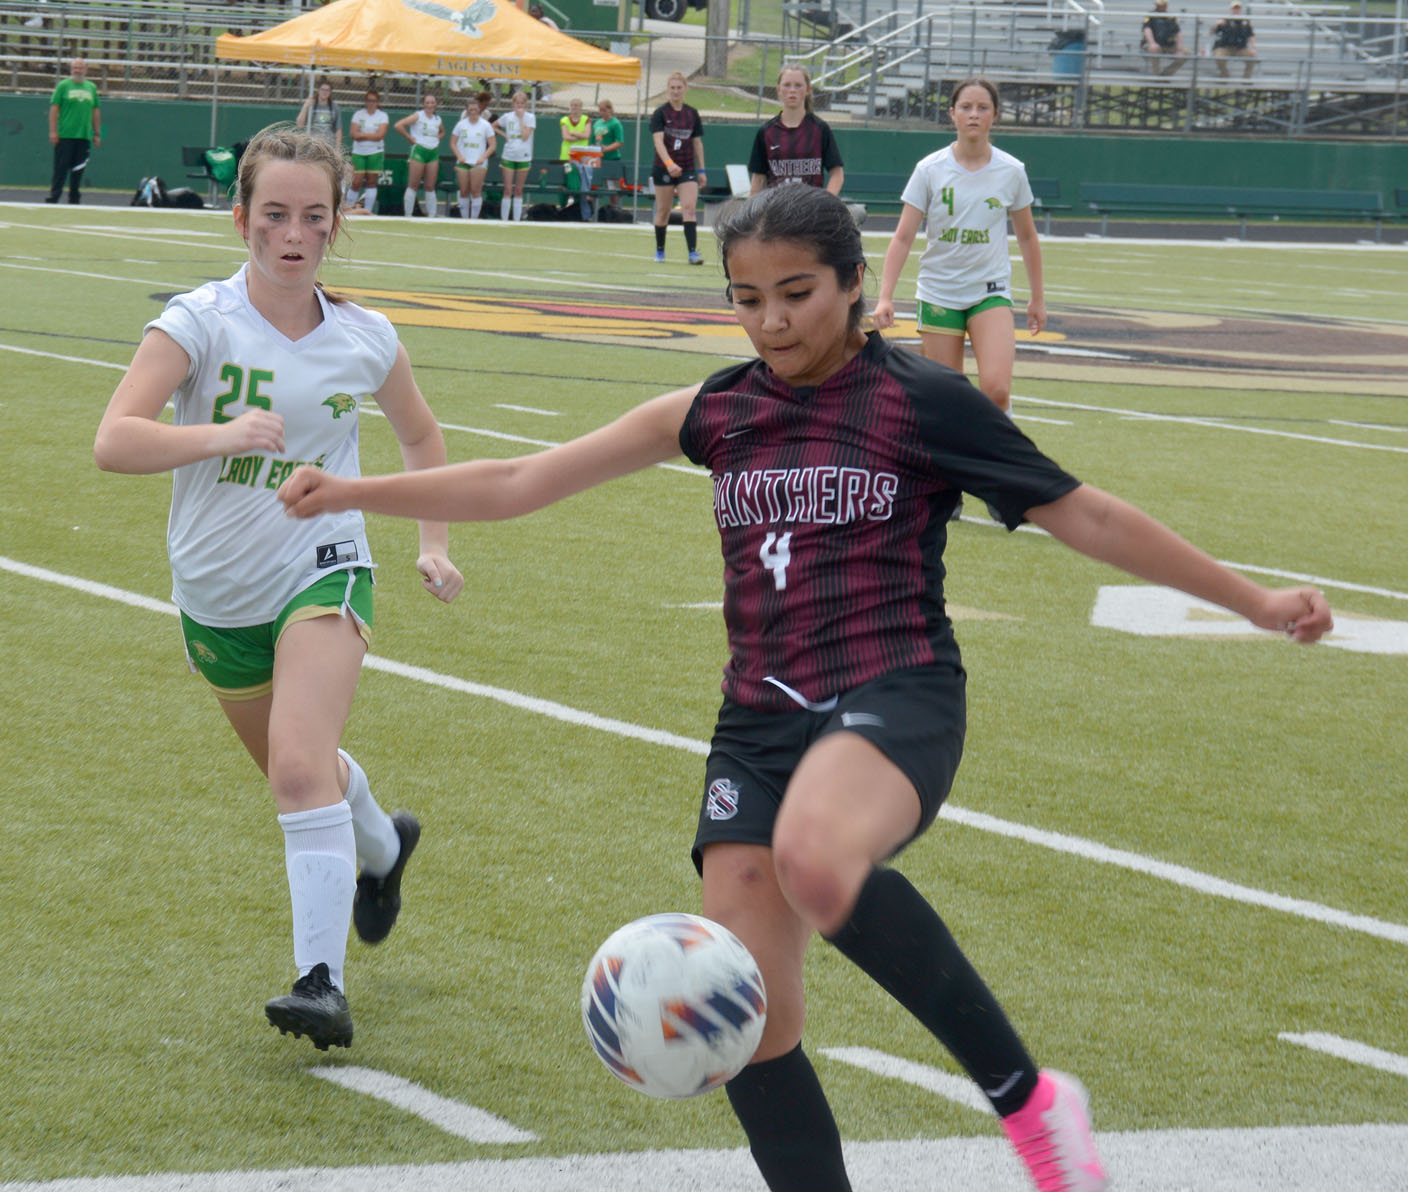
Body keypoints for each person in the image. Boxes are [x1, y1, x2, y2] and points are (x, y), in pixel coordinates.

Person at [277, 183, 1333, 1191]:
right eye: (747, 299)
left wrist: (1250, 599)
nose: (772, 322)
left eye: (796, 295)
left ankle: (1027, 1101)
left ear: (854, 284)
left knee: (818, 861)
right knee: (753, 1021)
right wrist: (351, 489)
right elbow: (519, 479)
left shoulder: (923, 400)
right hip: (757, 727)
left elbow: (1085, 513)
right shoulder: (717, 409)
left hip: (895, 692)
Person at [93, 124, 464, 1050]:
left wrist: (431, 541)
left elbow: (421, 438)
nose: (293, 235)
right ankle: (383, 846)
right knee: (303, 775)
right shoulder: (197, 322)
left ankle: (321, 981)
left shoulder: (368, 340)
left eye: (313, 216)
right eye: (274, 216)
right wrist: (218, 435)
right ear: (242, 220)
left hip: (324, 567)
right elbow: (116, 440)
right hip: (216, 593)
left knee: (299, 769)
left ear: (338, 224)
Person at [874, 77, 1043, 418]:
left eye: (983, 108)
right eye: (966, 107)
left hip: (989, 290)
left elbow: (1027, 236)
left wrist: (1037, 298)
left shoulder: (1012, 171)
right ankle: (952, 469)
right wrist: (886, 296)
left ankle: (1001, 462)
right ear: (952, 114)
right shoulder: (929, 169)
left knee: (996, 390)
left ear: (995, 116)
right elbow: (903, 236)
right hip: (939, 292)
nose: (974, 115)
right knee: (946, 396)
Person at [748, 65, 844, 196]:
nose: (792, 90)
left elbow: (837, 174)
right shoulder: (766, 132)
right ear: (778, 90)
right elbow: (759, 178)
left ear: (808, 90)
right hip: (777, 209)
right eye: (787, 85)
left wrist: (826, 203)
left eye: (798, 85)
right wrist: (751, 213)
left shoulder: (820, 129)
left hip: (812, 210)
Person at [650, 71, 707, 264]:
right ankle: (660, 250)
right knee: (663, 210)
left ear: (685, 89)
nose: (675, 91)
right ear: (668, 90)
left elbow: (697, 143)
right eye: (672, 88)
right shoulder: (660, 113)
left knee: (689, 208)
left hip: (687, 168)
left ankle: (692, 252)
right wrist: (669, 164)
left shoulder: (692, 114)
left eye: (679, 88)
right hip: (664, 168)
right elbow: (658, 142)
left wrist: (702, 170)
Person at [46, 58, 101, 205]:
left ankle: (74, 199)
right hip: (65, 135)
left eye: (80, 68)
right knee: (61, 169)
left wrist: (97, 133)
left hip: (83, 136)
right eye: (75, 68)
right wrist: (53, 131)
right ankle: (54, 197)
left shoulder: (91, 87)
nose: (78, 70)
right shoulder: (63, 86)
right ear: (71, 69)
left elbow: (95, 111)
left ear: (86, 70)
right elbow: (54, 108)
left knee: (78, 170)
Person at [395, 93, 444, 218]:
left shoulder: (437, 119)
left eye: (432, 102)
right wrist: (409, 137)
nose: (430, 105)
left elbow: (442, 131)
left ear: (436, 104)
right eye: (427, 102)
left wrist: (437, 138)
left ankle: (432, 215)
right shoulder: (418, 115)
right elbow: (398, 125)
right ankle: (408, 215)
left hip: (433, 152)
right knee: (413, 184)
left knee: (430, 185)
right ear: (423, 104)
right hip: (419, 150)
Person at [492, 90, 536, 222]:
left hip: (523, 156)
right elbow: (493, 126)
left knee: (518, 189)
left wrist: (521, 118)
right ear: (513, 103)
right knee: (507, 189)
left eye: (522, 103)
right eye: (517, 102)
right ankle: (504, 219)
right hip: (509, 155)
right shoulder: (507, 116)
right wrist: (504, 135)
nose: (519, 105)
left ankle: (517, 220)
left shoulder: (530, 117)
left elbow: (525, 136)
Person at [451, 95, 496, 220]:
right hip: (463, 161)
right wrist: (459, 156)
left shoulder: (485, 125)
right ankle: (465, 219)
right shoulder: (461, 125)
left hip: (478, 162)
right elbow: (452, 143)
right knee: (464, 191)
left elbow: (492, 145)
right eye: (470, 110)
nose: (473, 112)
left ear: (479, 110)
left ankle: (474, 219)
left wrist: (483, 157)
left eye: (475, 109)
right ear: (467, 110)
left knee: (476, 191)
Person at [346, 88, 389, 214]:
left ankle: (368, 211)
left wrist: (362, 135)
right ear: (366, 101)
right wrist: (371, 135)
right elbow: (353, 134)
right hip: (359, 152)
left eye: (374, 101)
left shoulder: (382, 116)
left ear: (378, 102)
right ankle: (349, 209)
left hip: (375, 151)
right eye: (369, 100)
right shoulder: (358, 114)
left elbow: (380, 135)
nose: (371, 103)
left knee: (371, 182)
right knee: (356, 182)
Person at [559, 97, 594, 218]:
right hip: (567, 156)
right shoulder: (564, 120)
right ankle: (563, 212)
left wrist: (573, 133)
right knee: (567, 183)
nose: (575, 107)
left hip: (582, 156)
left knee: (583, 184)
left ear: (581, 107)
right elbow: (566, 137)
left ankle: (584, 214)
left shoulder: (586, 120)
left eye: (577, 105)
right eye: (572, 105)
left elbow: (587, 135)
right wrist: (579, 136)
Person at [593, 98, 626, 210]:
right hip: (597, 159)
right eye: (600, 110)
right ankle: (590, 209)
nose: (602, 113)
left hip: (612, 159)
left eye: (604, 110)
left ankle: (615, 209)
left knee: (611, 186)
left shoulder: (615, 123)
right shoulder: (597, 123)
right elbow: (594, 139)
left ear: (610, 110)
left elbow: (619, 142)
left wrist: (606, 149)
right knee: (593, 184)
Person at [1212, 1, 1258, 78]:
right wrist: (1216, 25)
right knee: (1218, 56)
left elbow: (1251, 36)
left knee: (1252, 58)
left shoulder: (1245, 22)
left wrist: (1253, 48)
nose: (1236, 10)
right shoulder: (1225, 20)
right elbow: (1212, 32)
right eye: (1234, 8)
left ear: (1241, 9)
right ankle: (1224, 74)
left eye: (1238, 8)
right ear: (1231, 10)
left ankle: (1246, 79)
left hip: (1240, 48)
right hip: (1225, 47)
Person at [1142, 0, 1187, 74]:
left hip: (1169, 45)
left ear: (1166, 5)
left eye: (1161, 5)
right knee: (1154, 49)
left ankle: (1166, 74)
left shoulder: (1171, 17)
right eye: (1158, 5)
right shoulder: (1150, 16)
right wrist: (1152, 43)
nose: (1159, 6)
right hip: (1153, 44)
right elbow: (1147, 29)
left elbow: (1178, 32)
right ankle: (1155, 76)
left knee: (1185, 54)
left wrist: (1179, 49)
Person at [296, 78, 342, 149]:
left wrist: (338, 149)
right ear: (318, 90)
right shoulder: (311, 105)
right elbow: (300, 125)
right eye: (322, 89)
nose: (325, 92)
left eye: (327, 90)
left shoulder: (335, 107)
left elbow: (338, 129)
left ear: (330, 92)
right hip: (312, 145)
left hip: (329, 145)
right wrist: (305, 107)